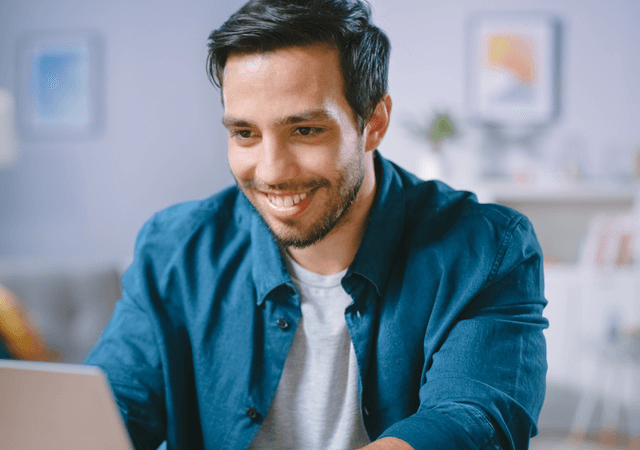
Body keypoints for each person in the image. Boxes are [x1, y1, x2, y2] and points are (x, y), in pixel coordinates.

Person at [85, 0, 548, 449]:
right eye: (245, 133)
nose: (271, 172)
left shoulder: (488, 248)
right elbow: (114, 407)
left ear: (374, 123)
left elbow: (474, 419)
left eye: (305, 130)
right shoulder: (175, 248)